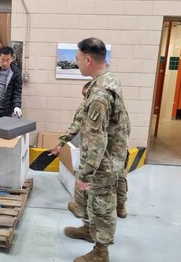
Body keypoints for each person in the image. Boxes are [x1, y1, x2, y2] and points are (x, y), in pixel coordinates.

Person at [63, 38, 131, 262]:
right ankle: (88, 229)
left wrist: (85, 172)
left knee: (101, 204)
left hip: (103, 161)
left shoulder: (100, 94)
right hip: (109, 156)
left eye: (78, 58)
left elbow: (96, 139)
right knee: (91, 198)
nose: (77, 63)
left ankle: (101, 252)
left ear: (88, 59)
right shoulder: (107, 79)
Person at [51, 83, 129, 220]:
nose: (85, 99)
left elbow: (76, 126)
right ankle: (121, 207)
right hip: (119, 146)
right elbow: (126, 127)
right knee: (119, 174)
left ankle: (84, 209)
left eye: (86, 95)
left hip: (101, 148)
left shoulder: (92, 104)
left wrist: (61, 142)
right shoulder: (116, 102)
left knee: (90, 176)